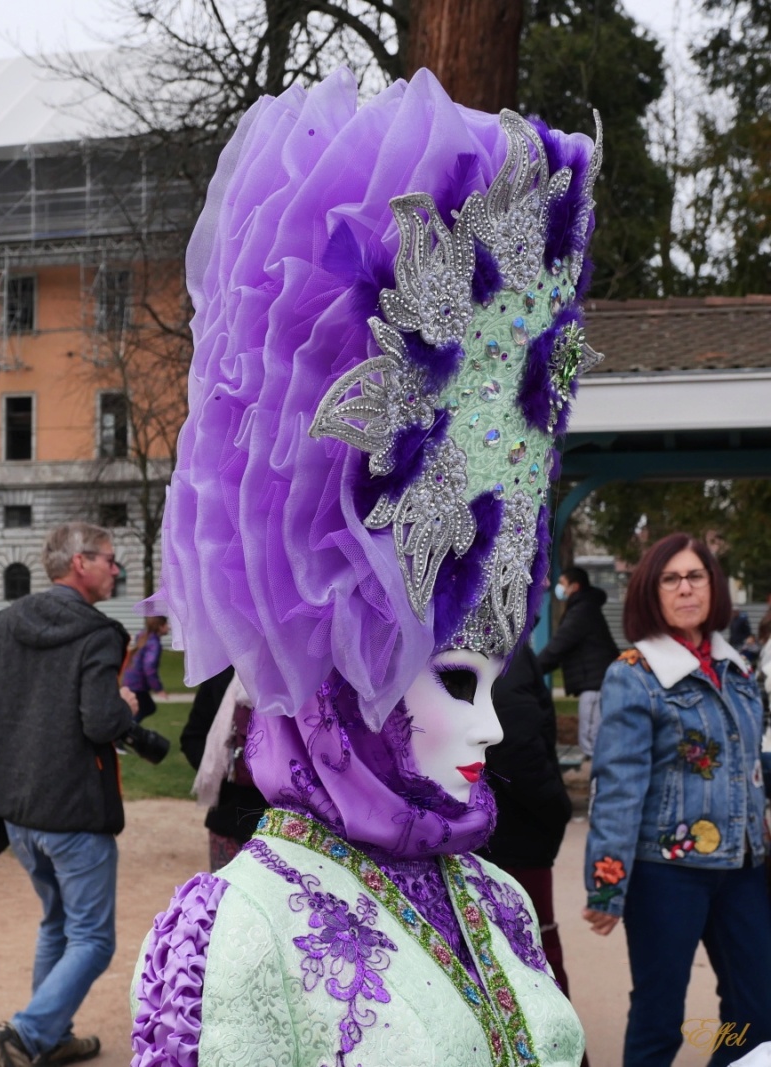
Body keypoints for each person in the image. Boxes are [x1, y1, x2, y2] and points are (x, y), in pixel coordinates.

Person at [131, 68, 604, 1066]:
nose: (489, 723)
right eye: (457, 682)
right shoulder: (235, 931)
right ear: (355, 689)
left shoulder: (493, 895)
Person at [583, 532, 771, 1067]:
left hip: (742, 868)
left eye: (696, 576)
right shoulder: (633, 676)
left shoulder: (738, 671)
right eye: (671, 578)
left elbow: (748, 769)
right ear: (651, 590)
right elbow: (619, 785)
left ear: (714, 586)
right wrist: (607, 885)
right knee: (659, 1018)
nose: (685, 588)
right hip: (665, 873)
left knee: (758, 1014)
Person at [0, 522, 138, 1067]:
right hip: (72, 813)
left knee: (58, 923)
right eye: (110, 559)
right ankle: (23, 1036)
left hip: (16, 812)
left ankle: (51, 1035)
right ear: (79, 563)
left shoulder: (1, 622)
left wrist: (16, 741)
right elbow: (100, 720)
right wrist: (129, 708)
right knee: (93, 940)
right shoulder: (99, 633)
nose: (117, 569)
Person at [481, 644, 591, 1065]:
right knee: (531, 961)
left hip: (510, 829)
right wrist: (555, 806)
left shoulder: (513, 643)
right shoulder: (500, 637)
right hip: (510, 834)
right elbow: (514, 736)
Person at [180, 666, 267, 869]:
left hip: (288, 826)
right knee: (224, 898)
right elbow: (193, 736)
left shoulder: (297, 676)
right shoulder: (223, 673)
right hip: (230, 817)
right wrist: (224, 769)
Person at [537, 565, 619, 759]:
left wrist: (530, 669)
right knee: (594, 739)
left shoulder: (581, 610)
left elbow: (559, 646)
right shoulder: (584, 606)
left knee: (592, 741)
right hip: (597, 682)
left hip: (596, 686)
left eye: (562, 584)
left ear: (575, 587)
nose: (558, 588)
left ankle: (598, 784)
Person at [122, 615, 169, 723]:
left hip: (130, 680)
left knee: (147, 707)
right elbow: (149, 667)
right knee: (145, 708)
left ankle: (127, 730)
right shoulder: (153, 644)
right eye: (166, 624)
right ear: (160, 627)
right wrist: (158, 689)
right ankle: (126, 731)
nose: (169, 627)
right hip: (137, 684)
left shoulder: (144, 637)